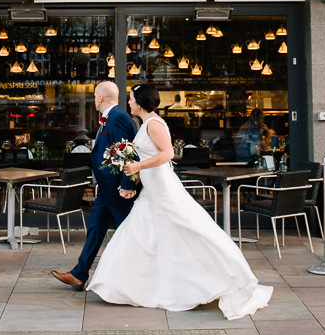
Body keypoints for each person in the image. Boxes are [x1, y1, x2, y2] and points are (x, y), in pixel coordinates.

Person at [85, 83, 272, 319]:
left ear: (140, 103)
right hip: (150, 189)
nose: (129, 103)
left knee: (188, 229)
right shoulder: (144, 124)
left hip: (162, 189)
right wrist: (133, 182)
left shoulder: (153, 123)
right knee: (141, 236)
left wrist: (138, 166)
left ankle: (219, 276)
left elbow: (167, 153)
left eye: (131, 99)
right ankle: (126, 286)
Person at [51, 80, 137, 290]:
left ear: (100, 97)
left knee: (130, 234)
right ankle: (79, 274)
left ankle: (138, 277)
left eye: (94, 96)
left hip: (118, 190)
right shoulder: (110, 119)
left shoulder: (118, 119)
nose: (93, 100)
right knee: (95, 229)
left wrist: (127, 185)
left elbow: (129, 154)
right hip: (107, 190)